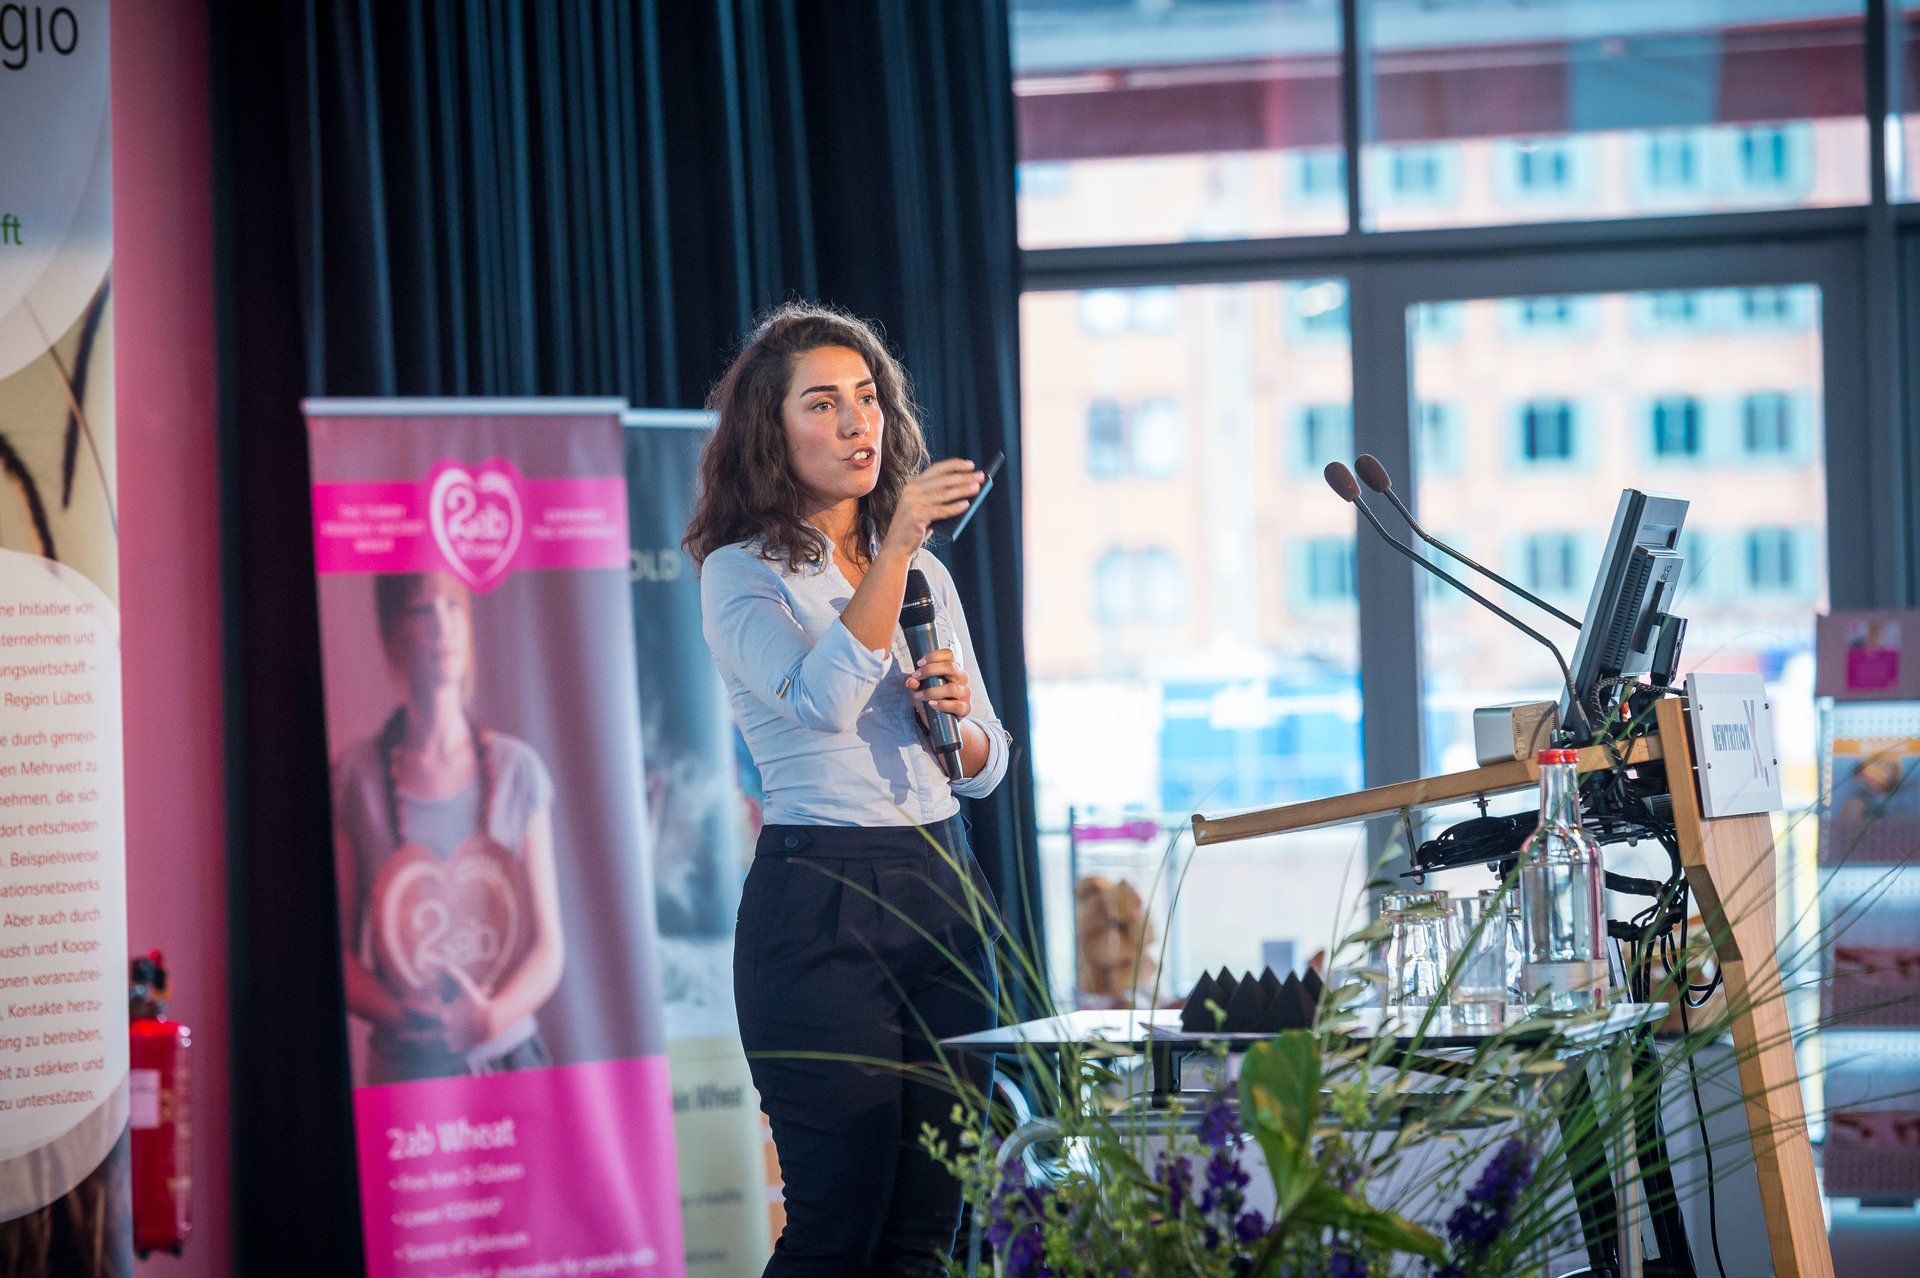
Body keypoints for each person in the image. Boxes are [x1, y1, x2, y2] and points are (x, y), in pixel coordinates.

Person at [686, 302, 1010, 1277]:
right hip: (821, 898)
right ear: (771, 431)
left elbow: (988, 766)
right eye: (822, 404)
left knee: (930, 1230)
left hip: (944, 885)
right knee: (837, 1231)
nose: (856, 421)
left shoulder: (926, 575)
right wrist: (897, 547)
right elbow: (821, 703)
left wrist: (956, 720)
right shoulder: (741, 573)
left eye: (866, 397)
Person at [331, 570, 567, 1083]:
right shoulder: (356, 777)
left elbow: (549, 948)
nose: (442, 625)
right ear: (392, 633)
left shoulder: (517, 769)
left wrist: (489, 1020)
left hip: (511, 1063)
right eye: (422, 608)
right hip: (406, 1075)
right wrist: (409, 1017)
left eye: (453, 606)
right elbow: (338, 957)